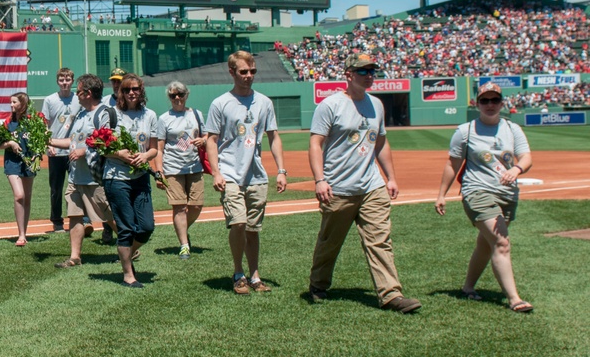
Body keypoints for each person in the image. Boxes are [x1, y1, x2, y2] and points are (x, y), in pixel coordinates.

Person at [307, 53, 421, 313]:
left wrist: (390, 177)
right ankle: (318, 284)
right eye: (363, 71)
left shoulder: (377, 105)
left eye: (372, 71)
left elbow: (380, 142)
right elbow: (316, 143)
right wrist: (320, 180)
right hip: (338, 188)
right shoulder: (331, 105)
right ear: (349, 74)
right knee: (329, 242)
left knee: (380, 241)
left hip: (372, 186)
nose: (369, 75)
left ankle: (391, 295)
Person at [434, 83, 534, 312]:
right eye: (484, 101)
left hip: (507, 194)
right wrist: (441, 194)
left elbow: (526, 157)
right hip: (476, 191)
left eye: (494, 100)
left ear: (501, 103)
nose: (490, 105)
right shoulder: (465, 130)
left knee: (486, 243)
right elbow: (453, 164)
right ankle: (514, 299)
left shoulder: (512, 128)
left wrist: (517, 169)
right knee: (501, 242)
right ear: (476, 104)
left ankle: (468, 287)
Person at [205, 51, 288, 294]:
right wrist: (216, 172)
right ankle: (238, 272)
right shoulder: (221, 103)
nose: (249, 76)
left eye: (252, 71)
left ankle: (255, 275)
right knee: (238, 223)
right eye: (243, 72)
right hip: (230, 173)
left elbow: (273, 137)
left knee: (253, 228)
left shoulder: (264, 102)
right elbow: (211, 140)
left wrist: (281, 171)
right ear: (232, 72)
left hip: (257, 175)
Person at [47, 74, 116, 270]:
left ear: (88, 93)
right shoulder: (80, 114)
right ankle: (75, 256)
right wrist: (49, 140)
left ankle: (131, 245)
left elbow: (106, 142)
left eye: (79, 91)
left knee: (109, 216)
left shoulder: (103, 113)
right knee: (75, 215)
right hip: (76, 177)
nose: (76, 94)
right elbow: (72, 142)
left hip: (94, 178)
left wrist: (84, 151)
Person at [102, 73, 159, 288]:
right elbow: (102, 146)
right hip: (116, 177)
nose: (131, 93)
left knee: (146, 227)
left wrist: (145, 156)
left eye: (135, 88)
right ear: (120, 92)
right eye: (126, 89)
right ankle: (128, 275)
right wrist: (120, 154)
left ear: (141, 90)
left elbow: (154, 148)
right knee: (126, 227)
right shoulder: (111, 114)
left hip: (141, 175)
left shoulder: (150, 115)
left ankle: (126, 254)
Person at [155, 81, 207, 260]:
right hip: (172, 168)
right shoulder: (164, 118)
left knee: (197, 205)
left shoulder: (197, 115)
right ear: (169, 98)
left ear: (187, 95)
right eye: (173, 95)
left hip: (194, 166)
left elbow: (206, 135)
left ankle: (183, 229)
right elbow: (159, 148)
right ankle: (184, 245)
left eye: (180, 94)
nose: (177, 98)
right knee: (179, 207)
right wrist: (159, 171)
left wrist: (204, 140)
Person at [41, 68, 76, 233]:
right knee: (56, 188)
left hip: (73, 151)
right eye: (62, 80)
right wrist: (49, 145)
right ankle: (57, 221)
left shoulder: (78, 99)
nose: (65, 83)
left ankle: (79, 220)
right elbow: (44, 125)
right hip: (56, 152)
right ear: (57, 81)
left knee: (76, 186)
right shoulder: (49, 100)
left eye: (68, 79)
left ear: (72, 81)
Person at [1, 92, 37, 246]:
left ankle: (24, 233)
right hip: (12, 162)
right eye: (11, 102)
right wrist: (10, 143)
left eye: (14, 102)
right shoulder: (8, 122)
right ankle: (20, 234)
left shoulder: (33, 122)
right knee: (19, 195)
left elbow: (40, 141)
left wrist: (37, 154)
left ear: (23, 104)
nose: (11, 105)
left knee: (27, 198)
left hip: (29, 162)